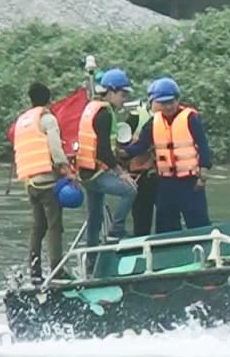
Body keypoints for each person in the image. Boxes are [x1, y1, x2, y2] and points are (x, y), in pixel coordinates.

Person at [121, 76, 213, 233]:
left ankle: (205, 244)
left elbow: (203, 146)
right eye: (164, 103)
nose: (168, 106)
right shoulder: (153, 122)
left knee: (198, 222)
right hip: (166, 182)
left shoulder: (191, 118)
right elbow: (141, 145)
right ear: (157, 103)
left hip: (190, 181)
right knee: (166, 224)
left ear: (177, 100)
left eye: (171, 102)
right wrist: (123, 153)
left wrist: (203, 173)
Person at [11, 82, 74, 283]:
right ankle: (57, 270)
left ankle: (35, 272)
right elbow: (55, 148)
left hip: (30, 183)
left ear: (30, 100)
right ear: (49, 99)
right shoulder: (47, 119)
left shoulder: (23, 121)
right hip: (48, 182)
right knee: (55, 227)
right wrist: (65, 168)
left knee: (38, 228)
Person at [76, 67, 137, 247]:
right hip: (96, 173)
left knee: (95, 216)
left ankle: (91, 255)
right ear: (110, 92)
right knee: (130, 190)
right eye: (122, 94)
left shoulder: (93, 108)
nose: (124, 99)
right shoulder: (104, 114)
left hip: (86, 171)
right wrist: (120, 172)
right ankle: (116, 230)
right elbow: (103, 149)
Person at [123, 84, 159, 236]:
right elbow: (123, 143)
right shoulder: (136, 116)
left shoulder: (172, 119)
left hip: (161, 175)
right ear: (151, 101)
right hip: (140, 175)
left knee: (165, 216)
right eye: (160, 101)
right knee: (141, 218)